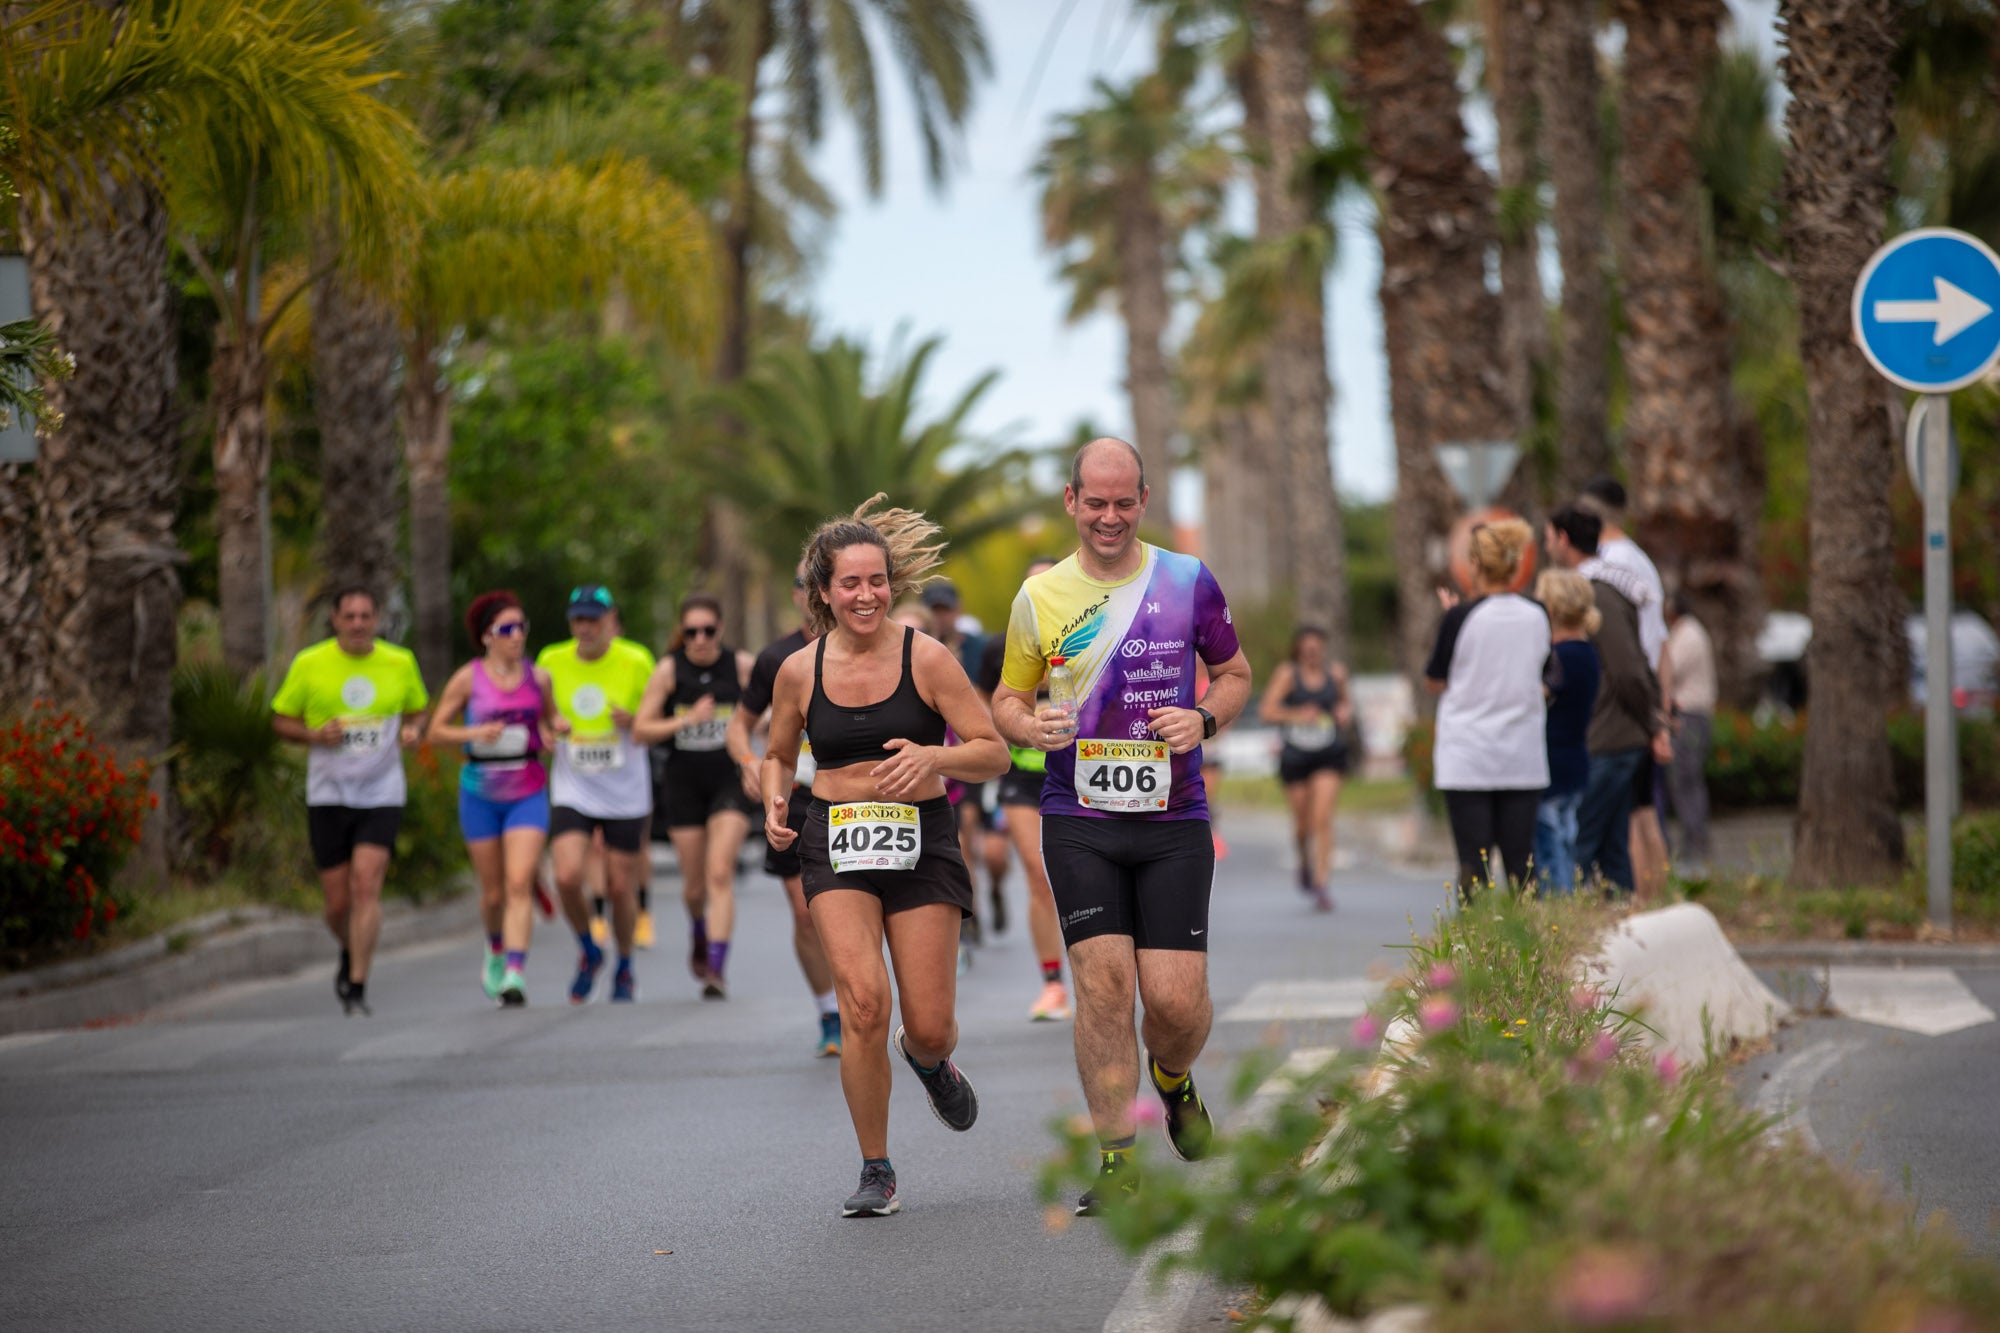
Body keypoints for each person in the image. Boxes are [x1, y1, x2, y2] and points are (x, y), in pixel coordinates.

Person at [991, 437, 1252, 1217]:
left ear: (1143, 501)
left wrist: (1202, 716)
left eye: (1123, 501)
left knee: (1174, 1003)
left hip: (1173, 817)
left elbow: (1237, 674)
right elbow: (1006, 698)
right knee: (1103, 987)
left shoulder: (1186, 579)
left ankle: (1173, 1078)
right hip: (1079, 816)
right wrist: (1029, 726)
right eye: (1094, 501)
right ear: (1071, 501)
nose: (1109, 516)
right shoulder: (1038, 598)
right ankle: (1117, 1160)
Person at [762, 495, 1007, 1219]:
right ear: (824, 591)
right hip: (835, 836)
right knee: (863, 1002)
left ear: (890, 583)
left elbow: (991, 749)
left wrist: (934, 754)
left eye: (875, 581)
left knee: (927, 1020)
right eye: (850, 583)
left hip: (922, 835)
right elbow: (777, 753)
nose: (864, 595)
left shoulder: (925, 657)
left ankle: (928, 1058)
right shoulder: (799, 671)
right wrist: (775, 798)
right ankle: (876, 1166)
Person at [271, 586, 429, 1015]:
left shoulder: (400, 662)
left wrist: (414, 730)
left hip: (381, 792)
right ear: (336, 620)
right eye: (350, 616)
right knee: (337, 904)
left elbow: (418, 709)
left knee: (366, 884)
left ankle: (357, 983)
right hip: (328, 793)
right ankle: (350, 949)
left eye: (366, 616)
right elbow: (281, 720)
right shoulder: (310, 663)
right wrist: (313, 735)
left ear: (377, 619)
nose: (359, 624)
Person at [726, 563, 842, 1056]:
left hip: (858, 800)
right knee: (804, 912)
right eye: (800, 583)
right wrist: (752, 762)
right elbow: (739, 724)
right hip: (795, 797)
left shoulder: (868, 646)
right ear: (801, 595)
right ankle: (830, 1013)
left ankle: (864, 1000)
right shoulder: (777, 657)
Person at [424, 592, 557, 1005]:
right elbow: (435, 731)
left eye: (521, 627)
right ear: (486, 636)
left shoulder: (540, 677)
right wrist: (473, 735)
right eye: (506, 629)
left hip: (528, 787)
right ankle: (496, 946)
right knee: (494, 892)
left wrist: (555, 730)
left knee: (519, 881)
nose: (516, 636)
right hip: (480, 791)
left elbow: (550, 719)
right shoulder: (469, 678)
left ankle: (515, 971)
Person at [634, 594, 756, 999]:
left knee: (719, 871)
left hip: (729, 780)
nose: (700, 639)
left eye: (708, 630)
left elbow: (778, 704)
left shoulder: (740, 665)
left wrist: (762, 721)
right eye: (691, 632)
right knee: (694, 886)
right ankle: (700, 931)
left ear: (720, 629)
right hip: (683, 781)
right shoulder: (670, 670)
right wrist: (686, 719)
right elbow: (640, 730)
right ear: (682, 634)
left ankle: (716, 969)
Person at [536, 585, 655, 1002]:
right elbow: (539, 715)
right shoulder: (550, 661)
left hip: (625, 791)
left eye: (593, 619)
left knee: (620, 888)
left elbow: (656, 720)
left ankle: (624, 962)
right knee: (566, 876)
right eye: (578, 620)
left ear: (610, 620)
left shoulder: (636, 660)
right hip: (574, 787)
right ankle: (589, 948)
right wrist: (548, 731)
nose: (585, 628)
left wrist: (635, 719)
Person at [1546, 507, 1668, 896]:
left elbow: (1629, 667)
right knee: (1612, 852)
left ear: (1563, 538)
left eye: (1548, 536)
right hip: (1615, 736)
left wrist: (1653, 723)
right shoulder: (1605, 586)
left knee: (1584, 846)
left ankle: (1597, 929)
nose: (1546, 544)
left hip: (1611, 738)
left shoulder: (1599, 592)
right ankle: (1623, 929)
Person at [1424, 520, 1550, 896]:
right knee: (1521, 866)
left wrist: (1452, 618)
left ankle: (1476, 948)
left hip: (1468, 757)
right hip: (1522, 755)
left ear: (1475, 565)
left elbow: (1435, 680)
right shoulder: (1537, 614)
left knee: (1472, 866)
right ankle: (1531, 946)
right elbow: (1541, 670)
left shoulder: (1459, 618)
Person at [977, 556, 1073, 1022]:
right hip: (1021, 780)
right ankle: (1053, 984)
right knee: (1038, 875)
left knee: (1078, 877)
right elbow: (981, 703)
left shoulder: (1083, 638)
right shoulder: (1000, 648)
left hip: (1079, 775)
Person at [1580, 478, 1674, 898]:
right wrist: (1662, 710)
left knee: (1631, 820)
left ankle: (1642, 904)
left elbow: (1628, 656)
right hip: (1647, 699)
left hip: (1627, 707)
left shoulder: (1607, 565)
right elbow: (1661, 643)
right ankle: (1660, 902)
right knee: (1644, 813)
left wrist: (1654, 717)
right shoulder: (1640, 561)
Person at [924, 580, 1011, 936]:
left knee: (993, 853)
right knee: (962, 838)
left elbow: (990, 695)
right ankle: (969, 908)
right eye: (935, 610)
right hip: (942, 758)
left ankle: (992, 889)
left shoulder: (978, 648)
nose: (941, 616)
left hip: (975, 749)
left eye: (946, 609)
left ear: (957, 610)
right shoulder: (916, 647)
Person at [1259, 627, 1352, 911]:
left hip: (1328, 754)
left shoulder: (1336, 674)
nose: (1312, 653)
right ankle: (1304, 861)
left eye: (1317, 648)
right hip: (1296, 755)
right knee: (1302, 825)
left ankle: (1322, 884)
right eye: (1306, 648)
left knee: (1322, 819)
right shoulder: (1288, 674)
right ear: (1299, 650)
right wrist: (1298, 715)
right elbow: (1267, 711)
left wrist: (1344, 712)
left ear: (1323, 649)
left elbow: (1345, 704)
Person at [1531, 571, 1601, 897]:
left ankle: (1558, 914)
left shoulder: (1562, 657)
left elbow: (1536, 694)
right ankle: (1568, 907)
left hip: (1551, 762)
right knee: (1567, 841)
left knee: (1549, 848)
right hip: (1575, 759)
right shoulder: (1587, 652)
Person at [1664, 594, 1716, 871]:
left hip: (1689, 716)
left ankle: (1695, 841)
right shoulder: (1691, 632)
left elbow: (1668, 668)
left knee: (1686, 779)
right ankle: (1694, 839)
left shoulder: (1688, 635)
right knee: (1686, 780)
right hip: (1693, 715)